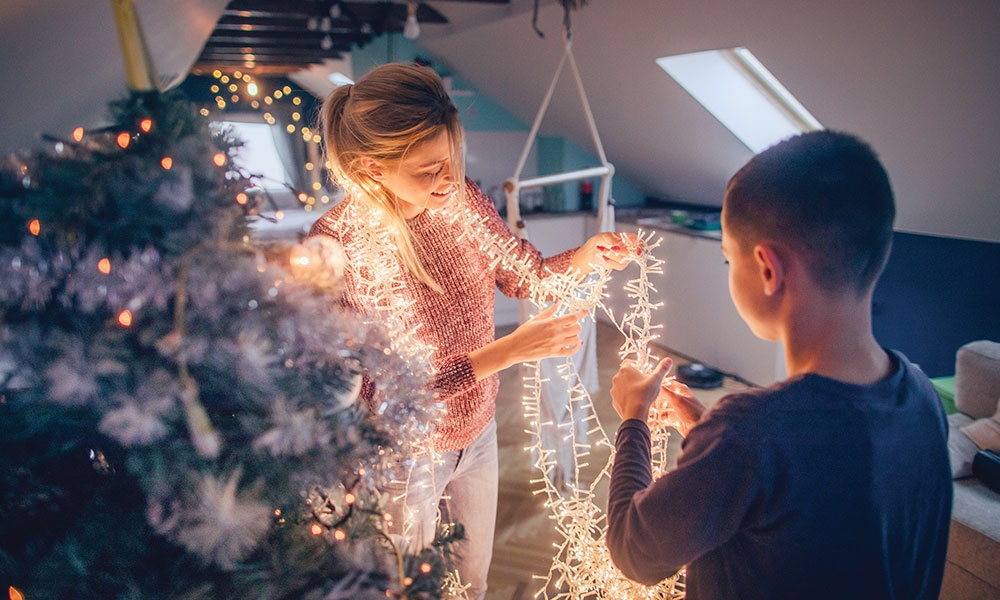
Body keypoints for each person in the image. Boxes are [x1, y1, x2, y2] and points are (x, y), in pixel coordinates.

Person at [308, 62, 634, 599]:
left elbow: (519, 272)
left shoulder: (460, 199)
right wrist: (505, 353)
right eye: (428, 169)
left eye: (452, 160)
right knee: (407, 590)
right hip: (402, 458)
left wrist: (586, 257)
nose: (449, 180)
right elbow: (382, 397)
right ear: (371, 167)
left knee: (472, 581)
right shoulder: (337, 247)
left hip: (478, 435)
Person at [606, 130, 952, 599]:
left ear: (768, 269)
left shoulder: (749, 433)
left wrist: (633, 419)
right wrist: (702, 432)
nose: (730, 273)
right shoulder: (923, 398)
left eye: (729, 260)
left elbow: (634, 551)